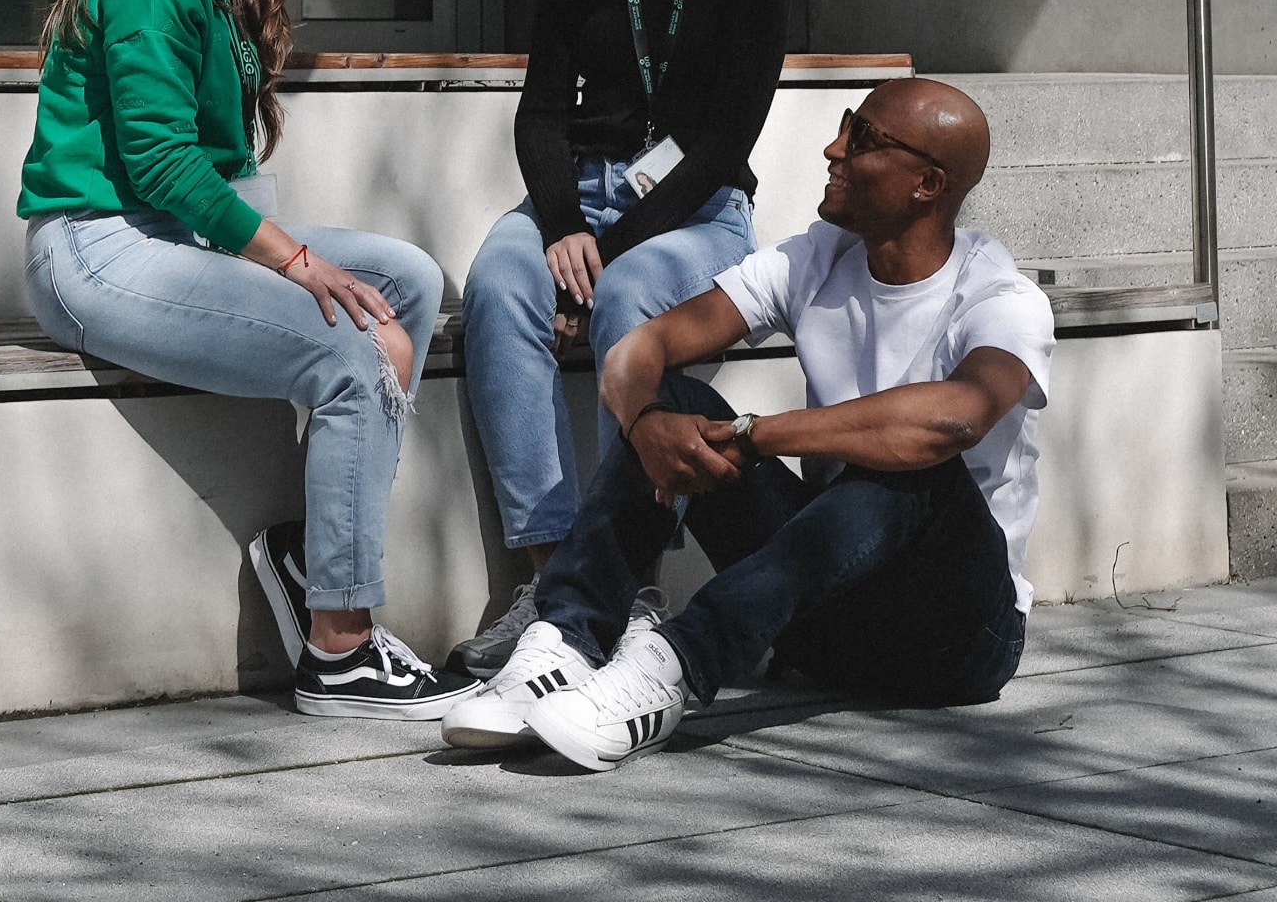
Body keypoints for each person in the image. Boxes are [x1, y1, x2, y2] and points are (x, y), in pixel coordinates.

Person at [17, 0, 476, 720]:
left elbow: (219, 175)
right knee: (356, 353)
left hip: (166, 239)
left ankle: (315, 551)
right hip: (97, 248)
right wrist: (294, 267)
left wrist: (287, 273)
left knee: (404, 281)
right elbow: (158, 165)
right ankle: (341, 649)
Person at [442, 78, 1055, 770]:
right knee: (677, 402)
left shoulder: (1001, 297)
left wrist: (758, 433)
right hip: (824, 619)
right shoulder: (815, 258)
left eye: (863, 140)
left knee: (914, 470)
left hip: (957, 639)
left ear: (928, 184)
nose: (834, 148)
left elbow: (954, 420)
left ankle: (670, 669)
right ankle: (566, 642)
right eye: (845, 125)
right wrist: (645, 424)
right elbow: (637, 352)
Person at [449, 0, 793, 677]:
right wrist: (560, 224)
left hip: (697, 211)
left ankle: (625, 585)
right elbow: (541, 114)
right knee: (501, 284)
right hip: (581, 201)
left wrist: (610, 248)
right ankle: (555, 579)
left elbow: (727, 138)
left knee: (634, 297)